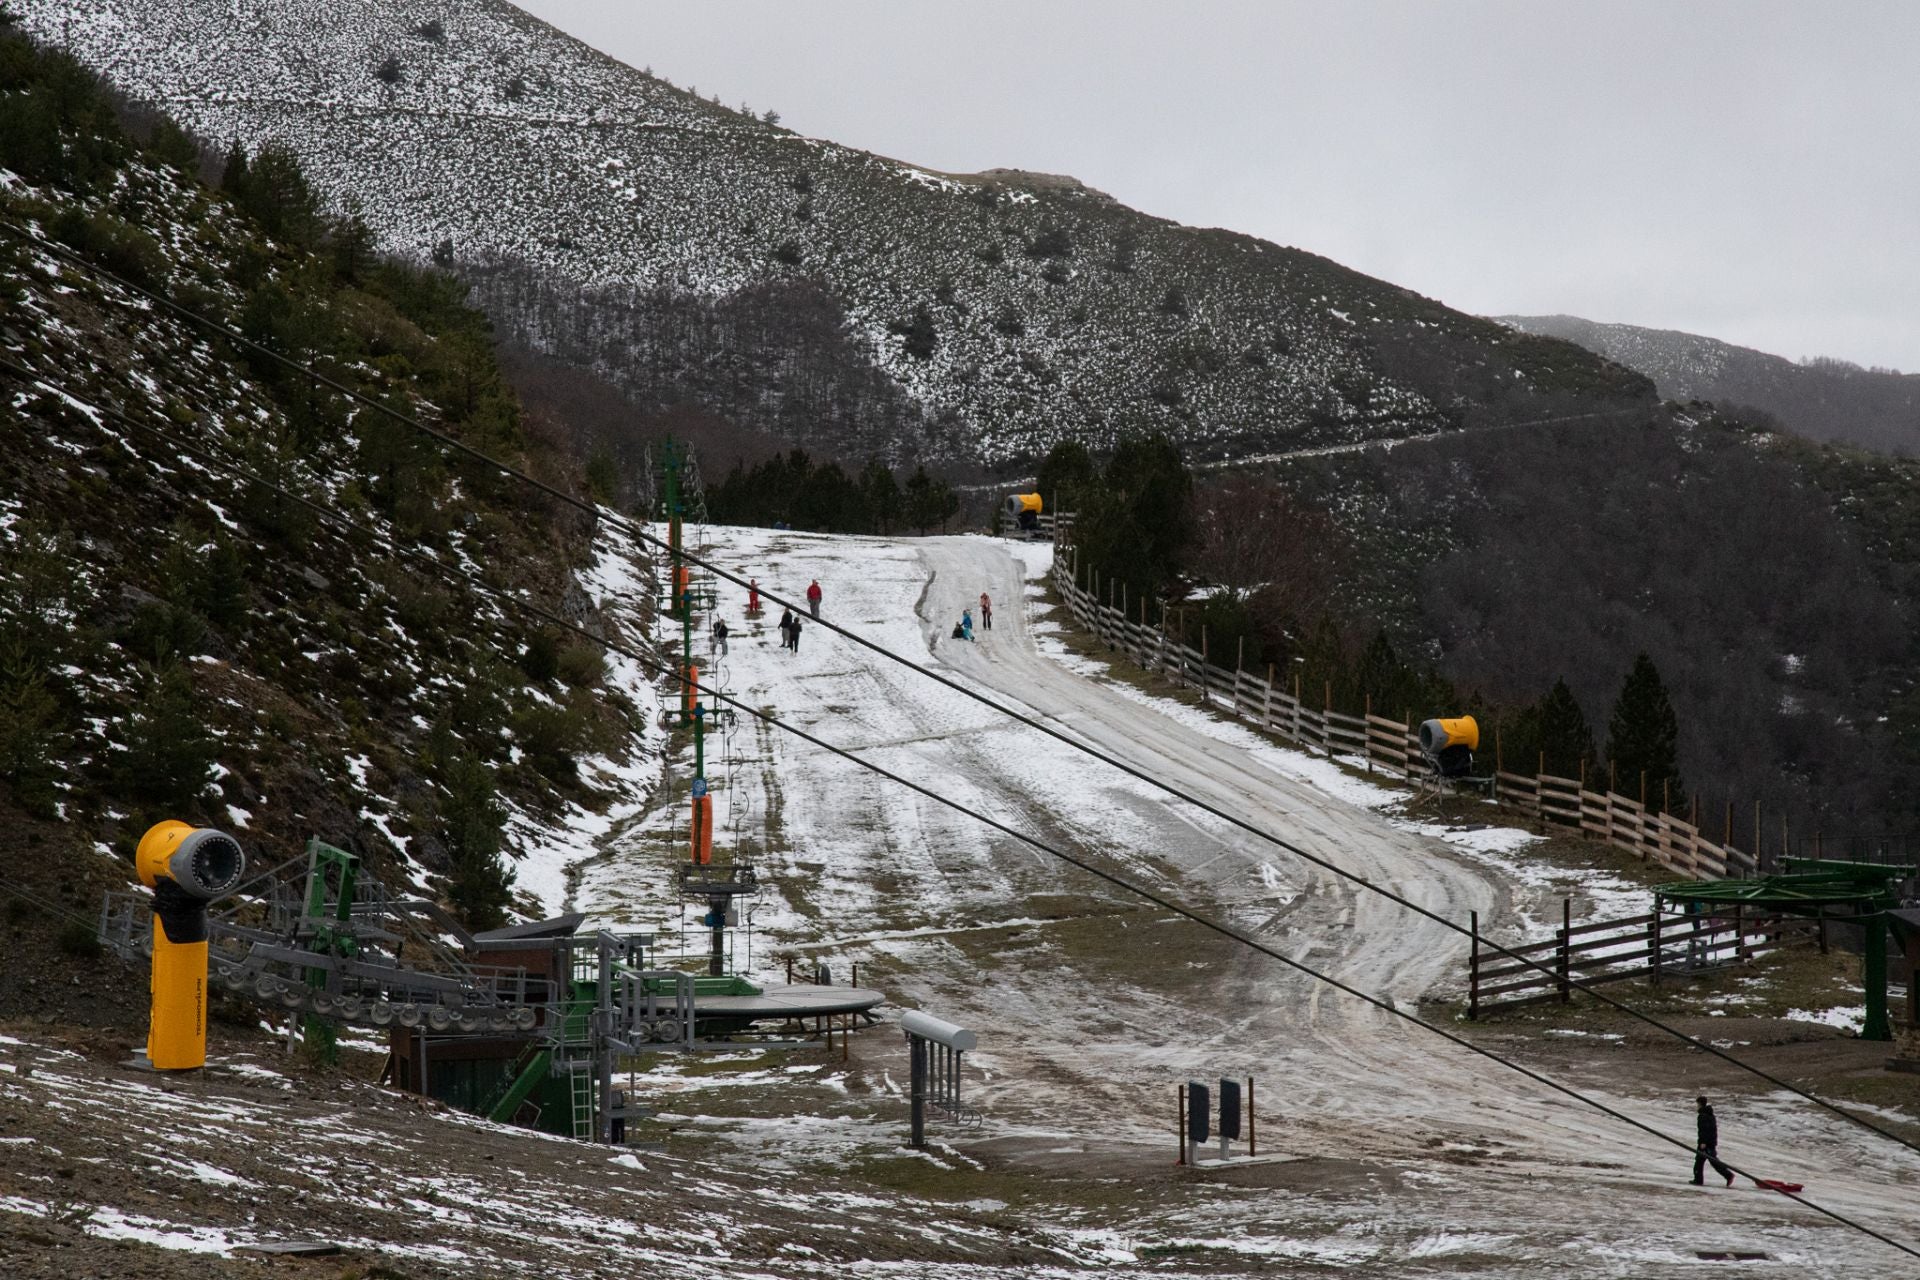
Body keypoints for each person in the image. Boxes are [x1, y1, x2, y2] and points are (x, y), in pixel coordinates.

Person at [1693, 1096, 1734, 1186]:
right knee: (1699, 1162)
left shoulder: (1703, 1116)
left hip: (1706, 1143)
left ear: (1700, 1104)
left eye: (1697, 1104)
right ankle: (1698, 1180)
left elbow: (1704, 1129)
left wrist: (1703, 1142)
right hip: (1710, 1141)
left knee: (1713, 1161)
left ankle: (1728, 1175)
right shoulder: (1710, 1114)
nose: (1697, 1106)